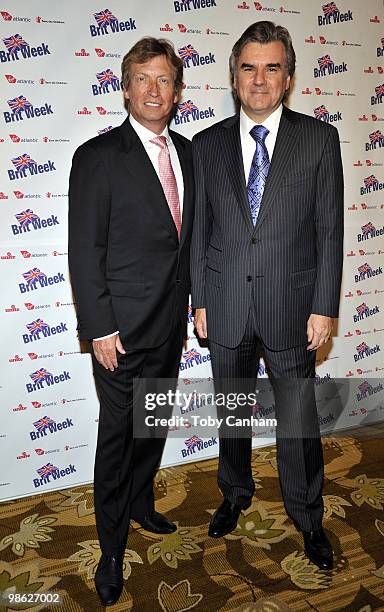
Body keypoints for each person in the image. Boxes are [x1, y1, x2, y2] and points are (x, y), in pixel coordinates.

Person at [191, 21, 343, 570]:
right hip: (226, 304)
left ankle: (308, 516)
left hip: (293, 309)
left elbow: (330, 229)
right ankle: (234, 493)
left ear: (288, 77)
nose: (259, 79)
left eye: (271, 67)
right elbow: (200, 233)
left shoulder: (319, 140)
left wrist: (325, 305)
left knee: (298, 422)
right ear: (234, 77)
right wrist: (200, 300)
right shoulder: (206, 145)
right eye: (249, 67)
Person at [68, 37, 194, 606]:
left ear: (177, 92)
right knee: (116, 442)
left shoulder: (190, 154)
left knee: (153, 427)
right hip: (118, 334)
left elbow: (189, 243)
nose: (153, 89)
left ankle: (141, 505)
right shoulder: (97, 157)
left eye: (164, 79)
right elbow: (84, 250)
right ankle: (111, 546)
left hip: (170, 327)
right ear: (124, 88)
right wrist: (99, 328)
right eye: (142, 78)